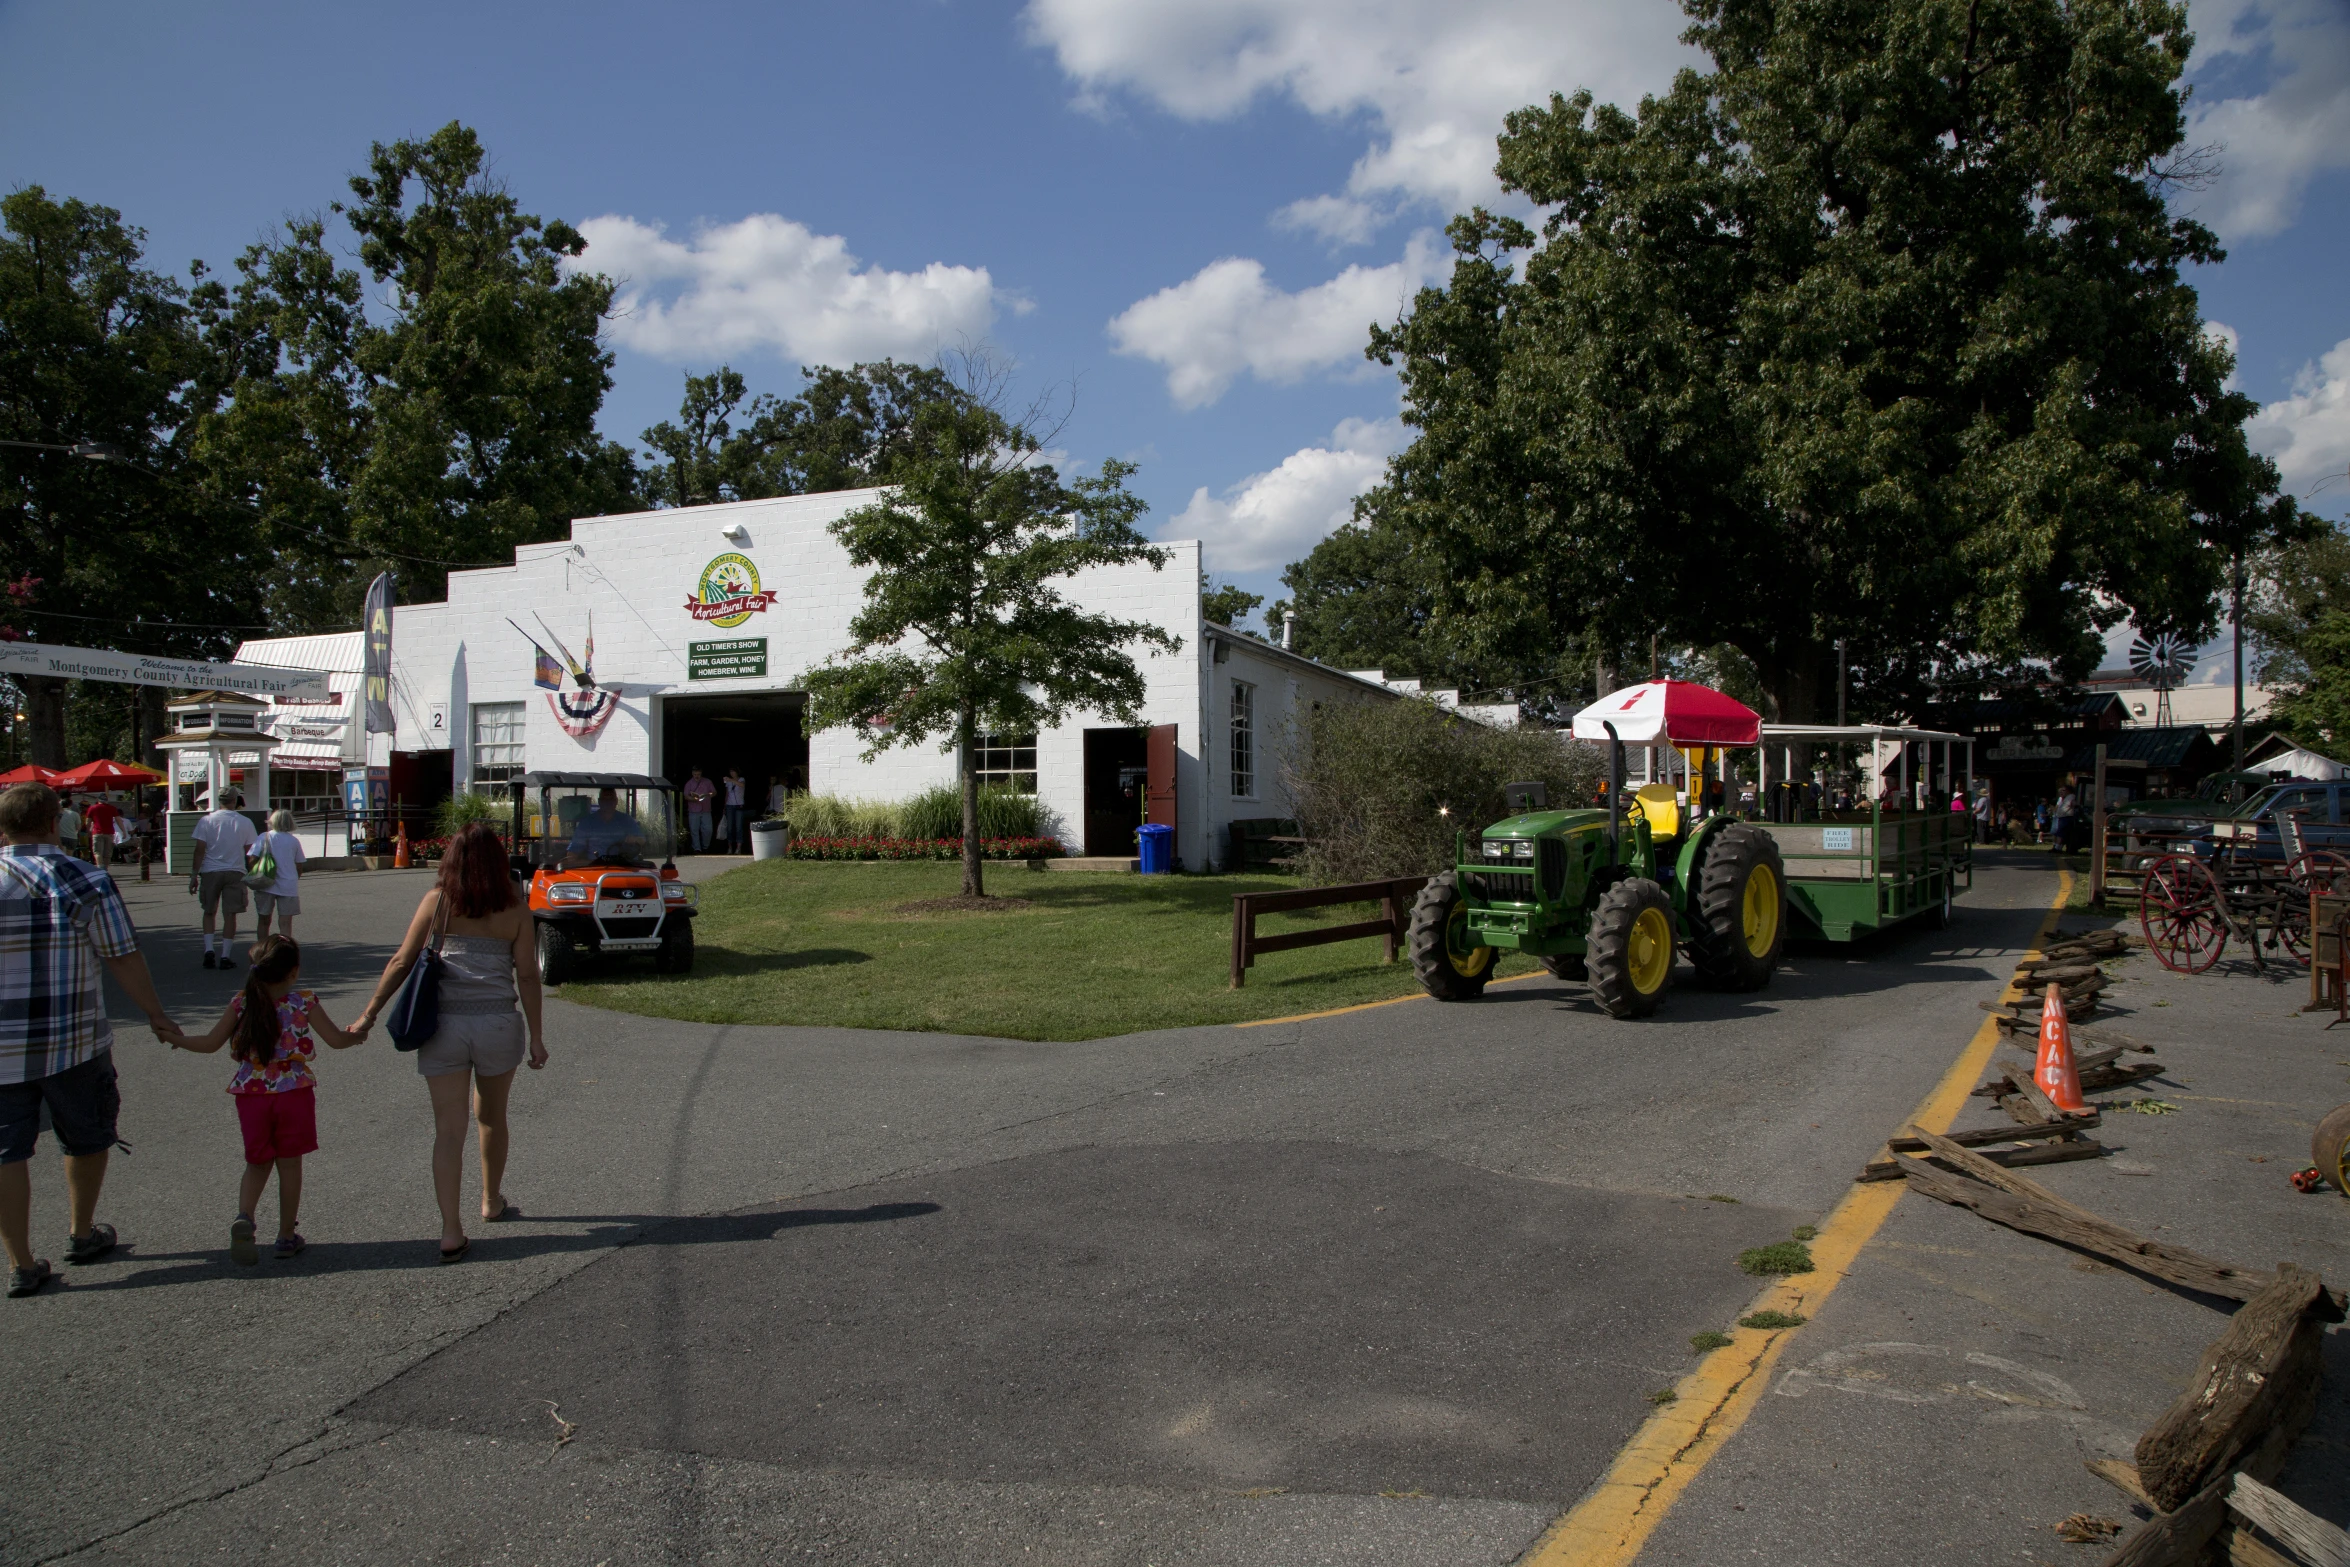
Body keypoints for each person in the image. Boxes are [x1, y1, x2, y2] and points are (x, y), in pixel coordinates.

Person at [1, 783, 181, 1299]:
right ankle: (82, 1231)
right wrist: (156, 1015)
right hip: (74, 1038)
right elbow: (121, 955)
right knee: (85, 1135)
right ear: (55, 821)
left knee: (6, 1151)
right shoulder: (85, 879)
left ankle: (21, 1261)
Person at [353, 823, 548, 1263]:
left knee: (449, 1129)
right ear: (500, 863)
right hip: (498, 1024)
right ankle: (491, 1200)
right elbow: (528, 975)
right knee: (492, 1117)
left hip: (443, 1028)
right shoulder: (517, 909)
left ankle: (450, 1229)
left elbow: (403, 961)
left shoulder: (438, 902)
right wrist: (537, 1037)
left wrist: (369, 1014)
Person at [173, 936, 362, 1263]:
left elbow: (208, 1043)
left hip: (251, 1094)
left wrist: (173, 1037)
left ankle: (244, 1216)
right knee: (289, 1165)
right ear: (293, 972)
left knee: (257, 1162)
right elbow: (335, 1040)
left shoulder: (241, 1003)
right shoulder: (304, 1001)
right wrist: (357, 1033)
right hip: (294, 1092)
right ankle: (287, 1236)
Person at [191, 789, 257, 970]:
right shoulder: (245, 822)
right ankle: (226, 955)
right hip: (235, 871)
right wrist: (254, 875)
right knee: (230, 914)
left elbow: (199, 850)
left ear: (219, 800)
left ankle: (209, 950)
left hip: (211, 870)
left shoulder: (207, 820)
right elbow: (250, 852)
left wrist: (194, 874)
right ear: (235, 800)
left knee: (209, 911)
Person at [248, 808, 308, 943]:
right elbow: (299, 864)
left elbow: (252, 859)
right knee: (285, 922)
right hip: (288, 884)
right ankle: (285, 950)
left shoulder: (264, 837)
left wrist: (256, 872)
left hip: (266, 882)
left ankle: (262, 948)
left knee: (264, 920)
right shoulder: (294, 841)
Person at [562, 788, 645, 866]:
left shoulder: (626, 820)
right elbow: (572, 856)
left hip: (623, 866)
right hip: (596, 867)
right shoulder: (587, 823)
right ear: (599, 801)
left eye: (611, 800)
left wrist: (634, 840)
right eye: (605, 800)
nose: (608, 803)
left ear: (616, 801)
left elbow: (642, 840)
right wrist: (592, 863)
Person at [683, 766, 715, 853]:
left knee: (708, 830)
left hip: (706, 809)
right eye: (695, 774)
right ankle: (697, 848)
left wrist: (707, 795)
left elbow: (714, 792)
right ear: (692, 774)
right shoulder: (689, 783)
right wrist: (694, 799)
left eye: (698, 774)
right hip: (694, 809)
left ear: (701, 773)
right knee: (694, 829)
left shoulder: (707, 782)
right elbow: (686, 796)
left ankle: (705, 846)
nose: (696, 776)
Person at [83, 795, 121, 870]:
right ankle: (105, 869)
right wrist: (123, 831)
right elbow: (118, 820)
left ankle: (100, 869)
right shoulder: (112, 808)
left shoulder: (92, 808)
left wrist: (88, 831)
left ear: (98, 799)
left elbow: (88, 822)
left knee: (97, 852)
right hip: (109, 833)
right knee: (107, 854)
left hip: (97, 833)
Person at [721, 767, 747, 853]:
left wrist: (731, 780)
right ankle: (730, 847)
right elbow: (727, 794)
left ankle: (738, 847)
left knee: (738, 827)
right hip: (729, 805)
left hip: (739, 805)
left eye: (733, 771)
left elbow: (742, 785)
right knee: (729, 827)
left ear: (737, 772)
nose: (731, 773)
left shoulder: (741, 779)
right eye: (730, 771)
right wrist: (724, 806)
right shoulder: (728, 782)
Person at [55, 796, 83, 861]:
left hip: (60, 836)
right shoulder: (75, 814)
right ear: (70, 805)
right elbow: (78, 827)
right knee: (69, 856)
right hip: (72, 837)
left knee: (60, 855)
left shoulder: (58, 814)